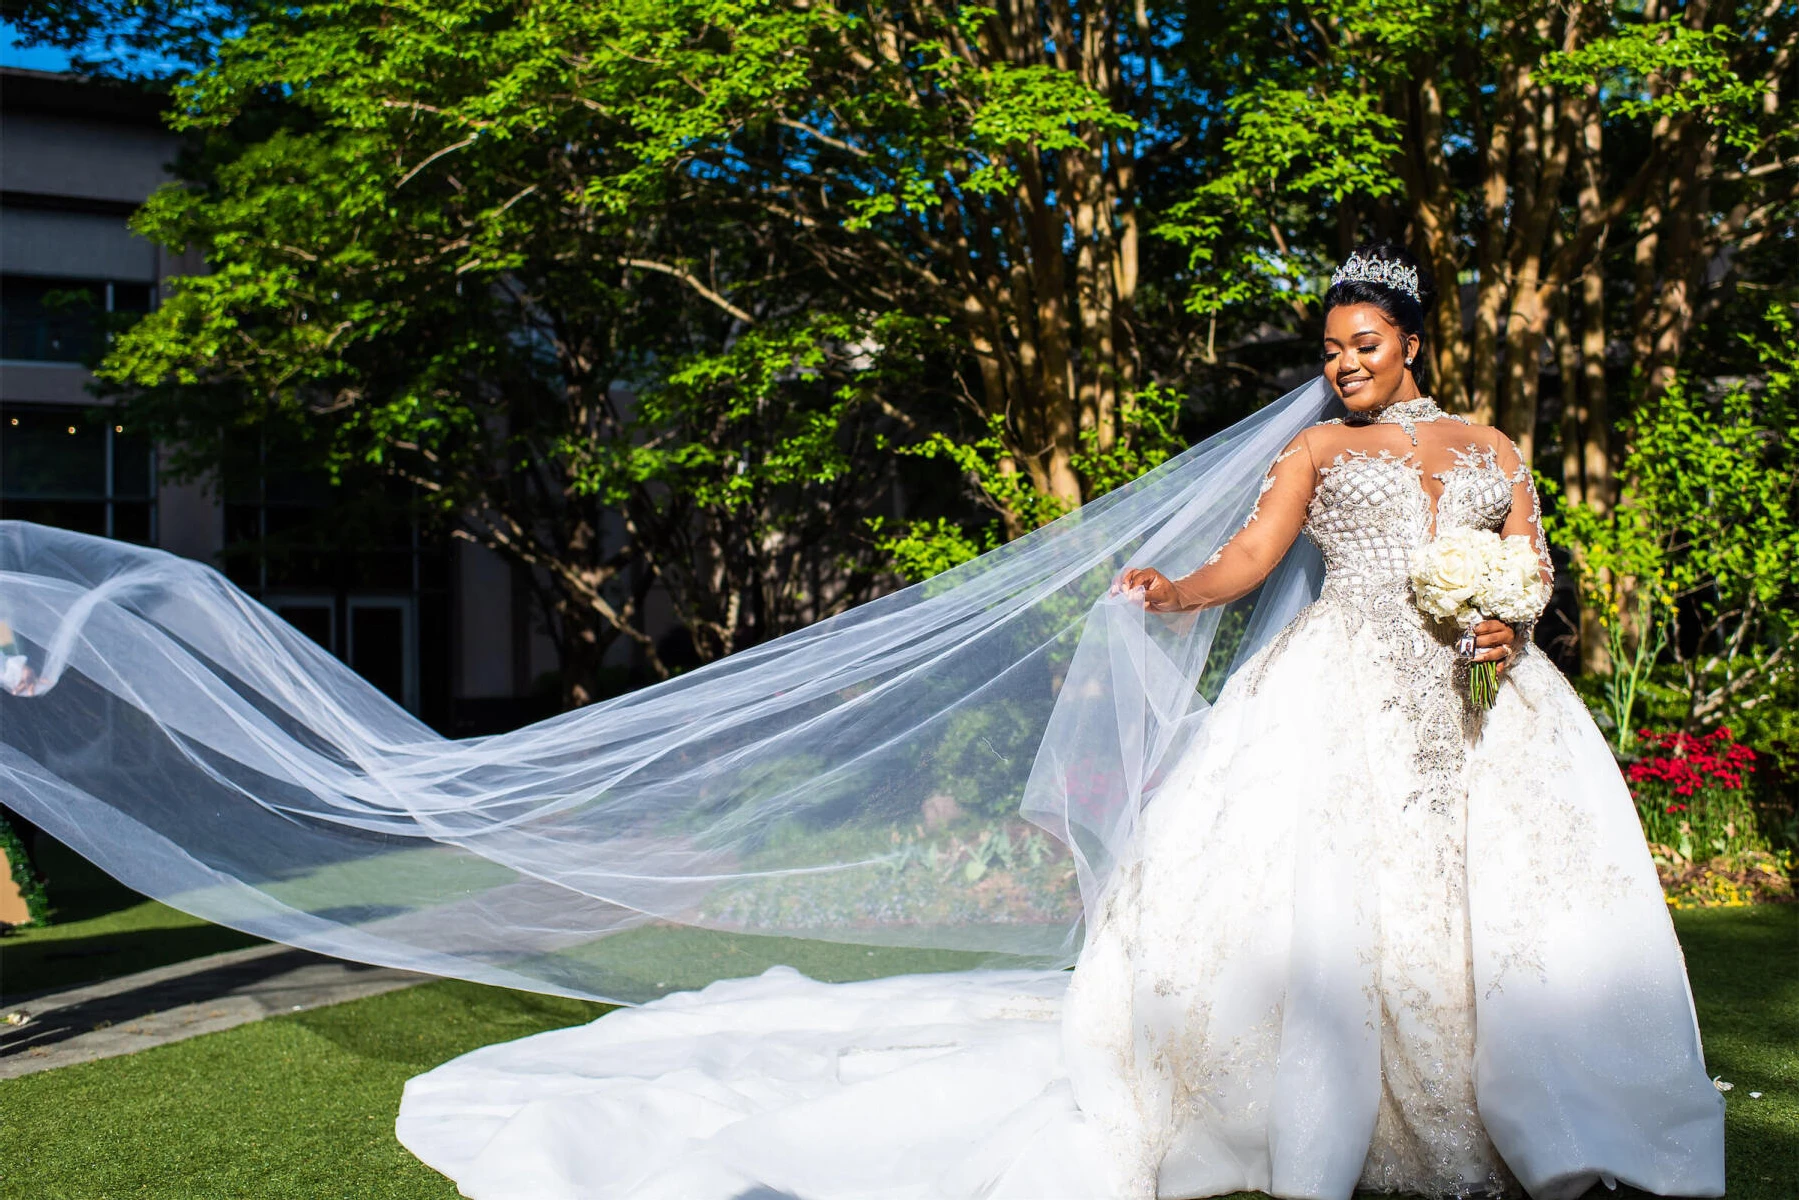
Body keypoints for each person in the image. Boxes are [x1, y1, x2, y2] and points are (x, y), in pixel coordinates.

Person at [392, 245, 1725, 1199]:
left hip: (1479, 709)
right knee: (1333, 908)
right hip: (1339, 701)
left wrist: (1512, 615)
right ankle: (1355, 1123)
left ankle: (1527, 1110)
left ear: (1411, 343)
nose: (1342, 367)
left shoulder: (1493, 450)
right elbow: (1250, 565)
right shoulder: (1316, 452)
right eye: (1327, 352)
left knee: (1507, 910)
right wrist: (1169, 588)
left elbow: (1533, 563)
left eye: (1360, 346)